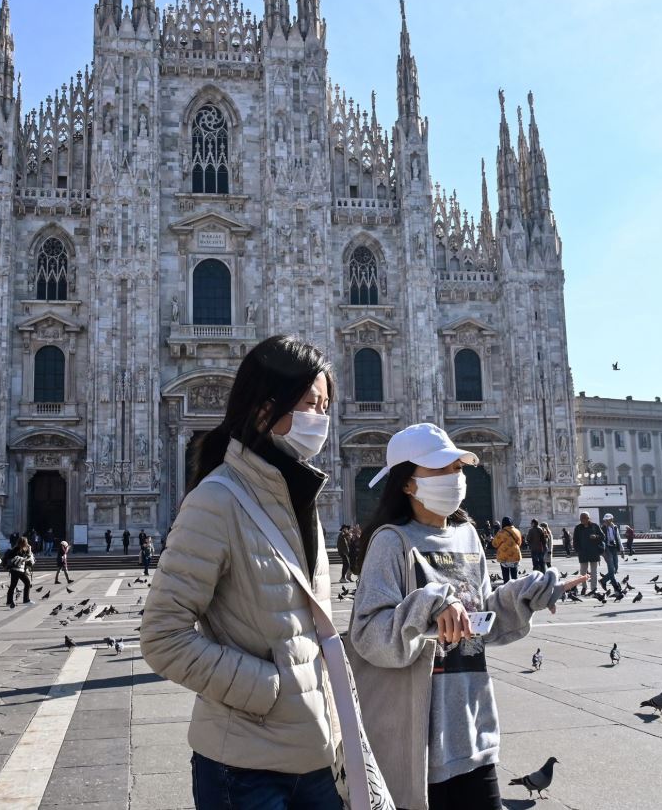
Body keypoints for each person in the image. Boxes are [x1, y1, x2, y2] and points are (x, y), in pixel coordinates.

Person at [141, 335, 344, 809]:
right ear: (263, 409)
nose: (321, 419)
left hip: (315, 758)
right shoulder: (216, 500)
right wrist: (267, 688)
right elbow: (162, 635)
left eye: (326, 405)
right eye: (310, 403)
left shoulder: (298, 498)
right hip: (245, 771)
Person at [349, 422, 584, 810]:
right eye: (440, 469)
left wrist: (526, 594)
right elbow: (369, 635)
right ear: (407, 483)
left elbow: (481, 622)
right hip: (419, 741)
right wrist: (431, 603)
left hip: (474, 729)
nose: (455, 477)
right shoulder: (392, 541)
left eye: (457, 468)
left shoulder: (467, 536)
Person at [573, 512, 604, 596]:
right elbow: (575, 541)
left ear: (588, 518)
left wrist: (596, 536)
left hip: (594, 552)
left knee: (594, 572)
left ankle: (594, 588)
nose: (582, 520)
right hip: (583, 553)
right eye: (581, 518)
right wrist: (578, 550)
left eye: (583, 518)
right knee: (583, 572)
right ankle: (584, 587)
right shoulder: (578, 528)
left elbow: (602, 536)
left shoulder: (595, 526)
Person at [4, 536, 34, 607]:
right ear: (23, 542)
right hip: (16, 570)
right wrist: (28, 551)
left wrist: (29, 550)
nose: (27, 543)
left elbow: (28, 557)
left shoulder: (22, 549)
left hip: (19, 570)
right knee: (26, 583)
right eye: (26, 542)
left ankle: (9, 602)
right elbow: (25, 558)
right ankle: (25, 600)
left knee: (14, 585)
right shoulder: (16, 549)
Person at [491, 517, 523, 582]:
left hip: (504, 556)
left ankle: (507, 589)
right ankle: (515, 589)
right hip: (515, 555)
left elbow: (494, 544)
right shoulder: (517, 531)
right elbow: (519, 543)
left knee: (506, 576)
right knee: (514, 576)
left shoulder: (501, 532)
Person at [599, 513, 623, 594]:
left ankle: (603, 580)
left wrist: (622, 550)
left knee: (615, 568)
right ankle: (616, 587)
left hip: (614, 548)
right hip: (607, 549)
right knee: (611, 570)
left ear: (611, 519)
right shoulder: (602, 528)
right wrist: (603, 552)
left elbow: (618, 538)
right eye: (606, 520)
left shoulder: (615, 527)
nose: (607, 521)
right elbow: (600, 540)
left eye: (608, 520)